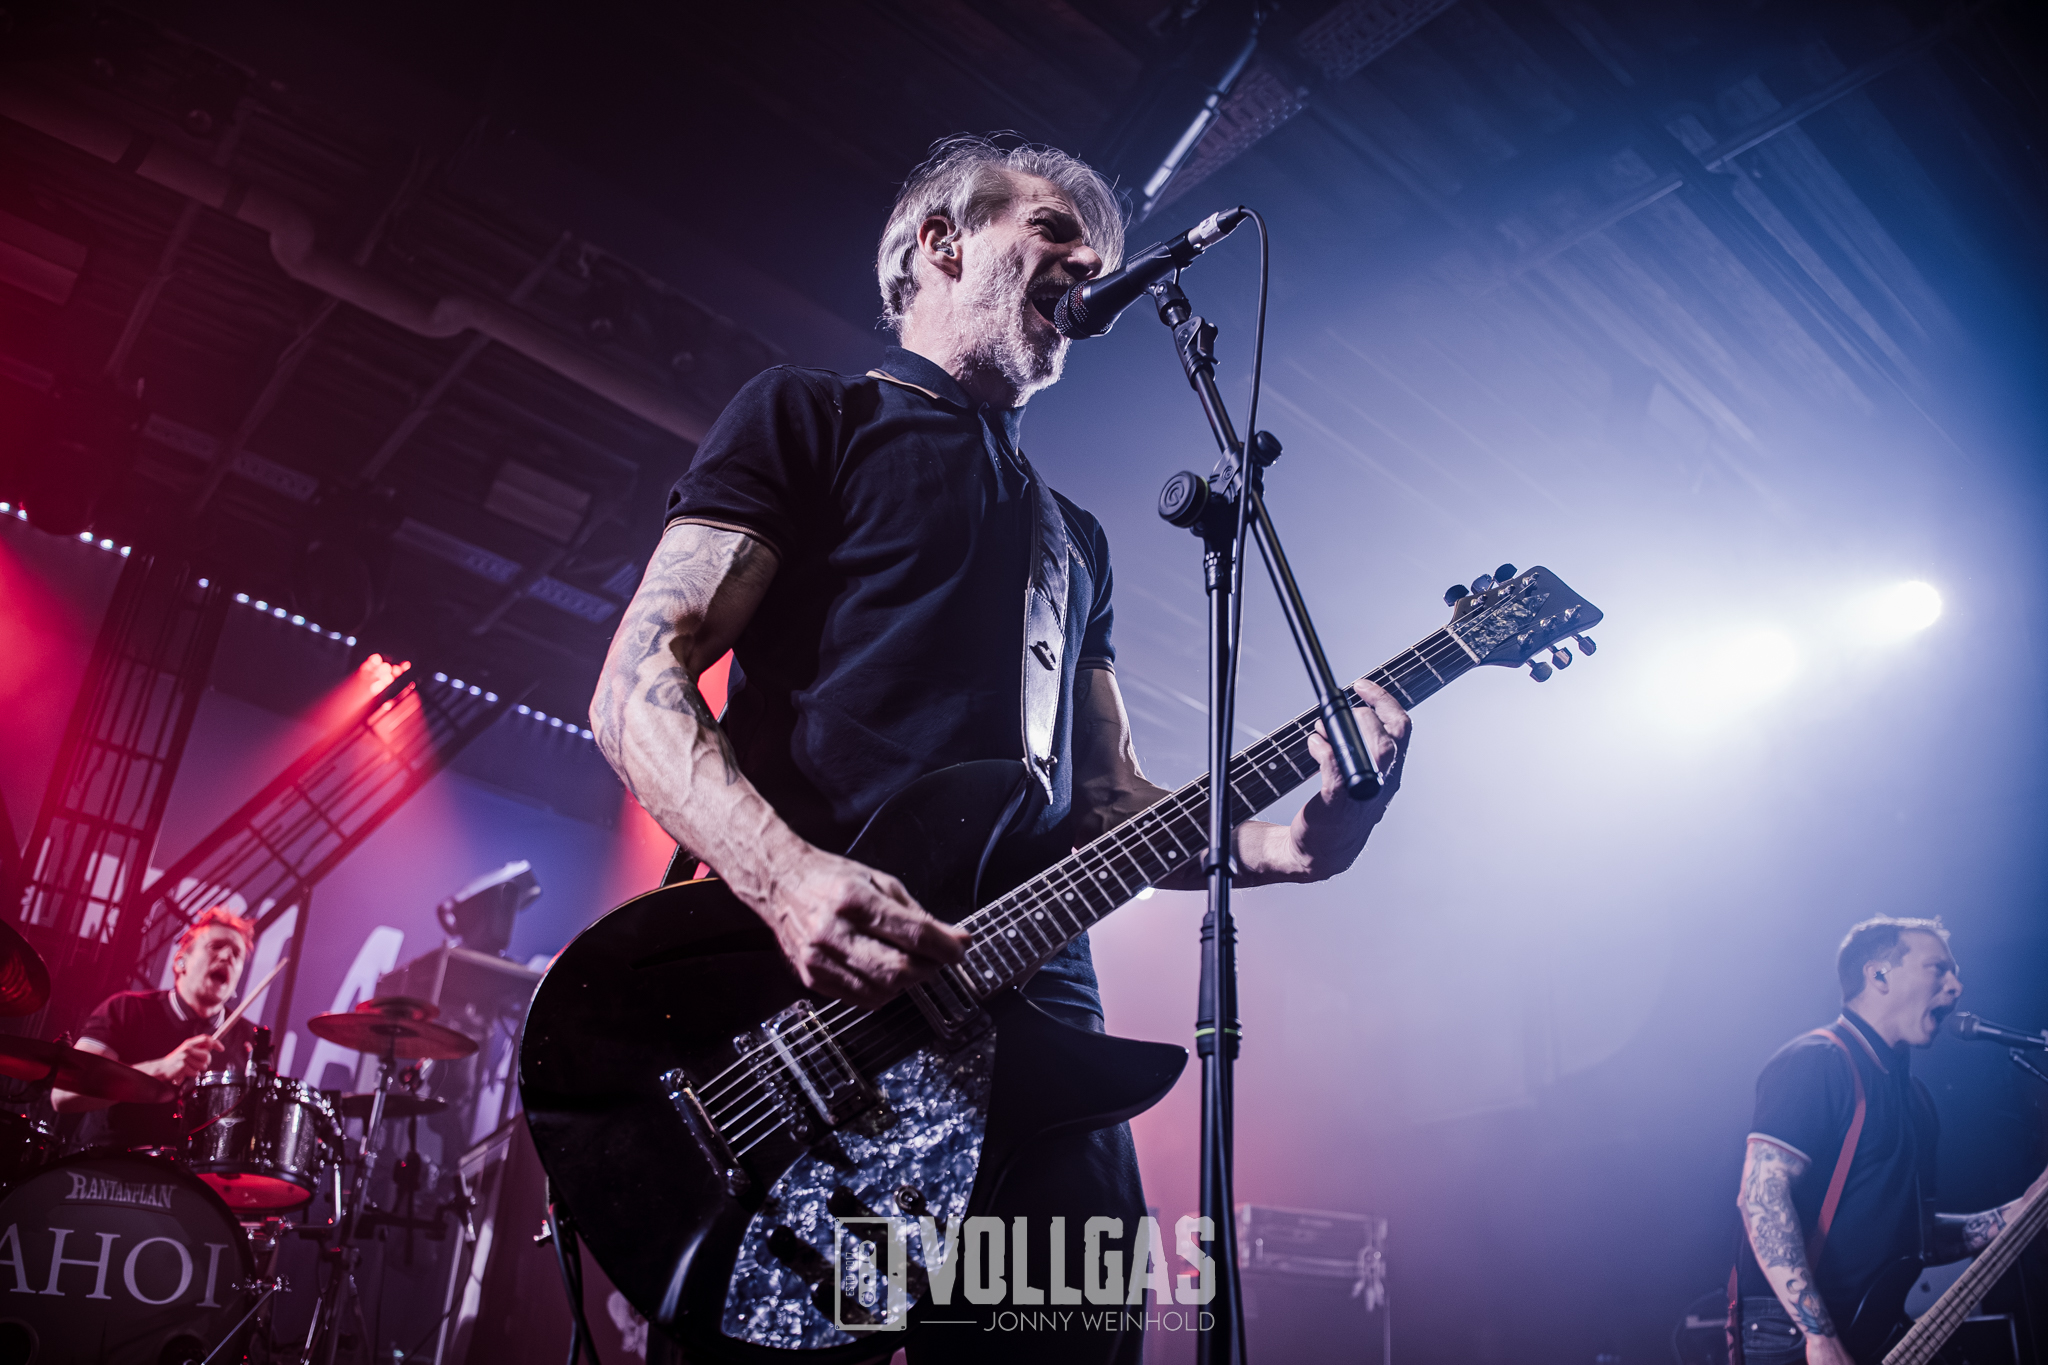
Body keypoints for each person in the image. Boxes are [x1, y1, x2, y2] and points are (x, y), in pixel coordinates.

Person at [588, 136, 1412, 1364]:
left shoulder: (1073, 541)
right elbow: (634, 684)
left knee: (1069, 1332)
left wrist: (1287, 847)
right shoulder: (812, 416)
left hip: (1037, 1019)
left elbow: (1107, 810)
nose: (1088, 264)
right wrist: (785, 878)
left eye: (1102, 251)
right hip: (812, 1005)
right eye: (1055, 229)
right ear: (940, 242)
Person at [1732, 916, 2048, 1364]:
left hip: (1874, 1329)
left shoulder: (1915, 1100)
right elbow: (1762, 1198)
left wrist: (2018, 1212)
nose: (1957, 987)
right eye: (1938, 969)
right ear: (1879, 975)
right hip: (1795, 1334)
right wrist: (1819, 1336)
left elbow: (1915, 1235)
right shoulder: (1817, 1062)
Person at [52, 906, 258, 1150]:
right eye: (216, 946)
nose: (227, 956)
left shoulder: (251, 1039)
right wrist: (162, 1068)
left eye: (236, 954)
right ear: (180, 961)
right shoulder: (126, 1009)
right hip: (109, 1164)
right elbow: (64, 1096)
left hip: (195, 1173)